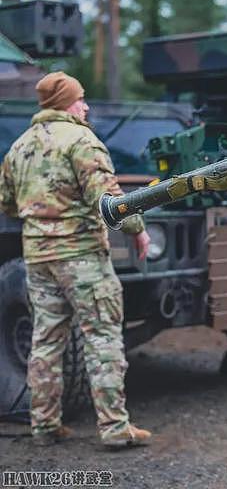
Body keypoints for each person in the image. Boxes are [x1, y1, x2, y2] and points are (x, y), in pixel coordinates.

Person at [0, 72, 152, 448]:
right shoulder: (82, 140)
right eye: (81, 99)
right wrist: (138, 230)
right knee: (102, 337)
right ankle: (115, 428)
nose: (86, 106)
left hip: (38, 258)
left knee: (46, 340)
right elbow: (112, 202)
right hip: (81, 257)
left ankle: (44, 425)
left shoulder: (19, 147)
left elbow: (6, 204)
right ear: (66, 103)